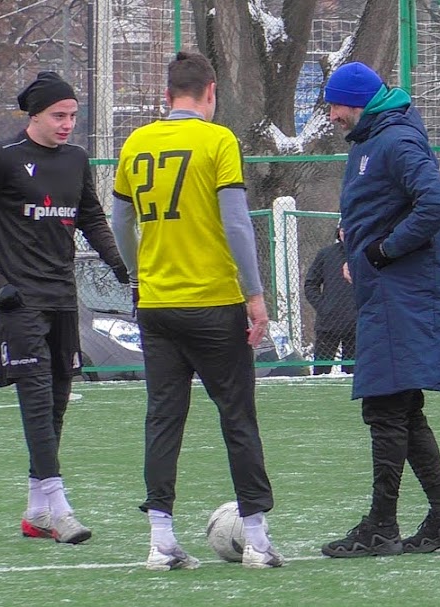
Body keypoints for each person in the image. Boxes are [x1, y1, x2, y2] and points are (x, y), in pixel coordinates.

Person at [110, 51, 282, 570]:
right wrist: (255, 294)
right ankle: (256, 539)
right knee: (238, 419)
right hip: (213, 303)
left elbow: (120, 224)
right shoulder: (218, 140)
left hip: (157, 306)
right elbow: (235, 224)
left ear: (167, 96)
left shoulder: (136, 143)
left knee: (163, 419)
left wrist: (139, 274)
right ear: (211, 92)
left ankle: (160, 541)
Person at [0, 71, 130, 545]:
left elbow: (90, 216)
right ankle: (60, 506)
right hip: (20, 303)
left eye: (73, 115)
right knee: (34, 397)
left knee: (55, 402)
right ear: (34, 115)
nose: (68, 123)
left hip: (63, 300)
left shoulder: (75, 160)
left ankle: (36, 512)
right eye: (59, 115)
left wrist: (119, 265)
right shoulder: (0, 159)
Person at [319, 61, 440, 558]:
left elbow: (438, 203)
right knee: (402, 411)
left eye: (336, 105)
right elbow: (377, 208)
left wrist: (383, 252)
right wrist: (358, 253)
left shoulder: (396, 140)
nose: (332, 115)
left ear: (356, 102)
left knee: (386, 409)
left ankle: (381, 526)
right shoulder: (371, 139)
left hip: (404, 295)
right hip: (387, 293)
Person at [304, 223, 357, 374]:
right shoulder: (326, 254)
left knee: (352, 373)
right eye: (343, 230)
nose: (345, 234)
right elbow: (310, 284)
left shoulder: (363, 254)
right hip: (328, 324)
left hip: (355, 324)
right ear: (339, 232)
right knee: (321, 371)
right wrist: (323, 307)